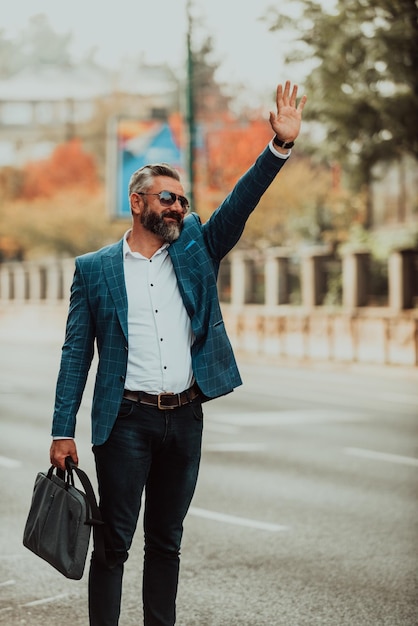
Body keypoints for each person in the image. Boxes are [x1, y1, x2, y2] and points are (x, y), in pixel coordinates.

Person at [49, 80, 307, 626]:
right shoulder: (95, 270)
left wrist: (277, 148)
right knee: (114, 544)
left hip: (185, 417)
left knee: (167, 542)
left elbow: (240, 204)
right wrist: (61, 430)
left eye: (183, 200)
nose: (179, 207)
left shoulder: (195, 249)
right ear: (137, 201)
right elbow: (76, 354)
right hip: (125, 423)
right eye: (168, 197)